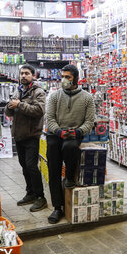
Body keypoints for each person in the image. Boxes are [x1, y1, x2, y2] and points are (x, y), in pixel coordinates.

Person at [45, 64, 95, 224]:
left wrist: (78, 132)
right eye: (63, 76)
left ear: (75, 79)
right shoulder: (54, 96)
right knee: (53, 167)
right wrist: (59, 131)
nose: (64, 80)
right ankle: (57, 208)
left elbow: (89, 121)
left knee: (70, 146)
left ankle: (69, 177)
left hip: (74, 133)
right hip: (56, 133)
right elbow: (50, 119)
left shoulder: (87, 97)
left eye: (68, 77)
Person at [4, 65, 47, 212]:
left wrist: (19, 104)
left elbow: (39, 111)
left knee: (31, 166)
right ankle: (30, 193)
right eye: (21, 73)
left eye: (27, 73)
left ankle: (41, 197)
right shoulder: (18, 90)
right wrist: (10, 106)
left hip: (32, 136)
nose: (23, 76)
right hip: (19, 135)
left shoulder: (38, 92)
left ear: (33, 76)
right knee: (24, 166)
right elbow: (9, 113)